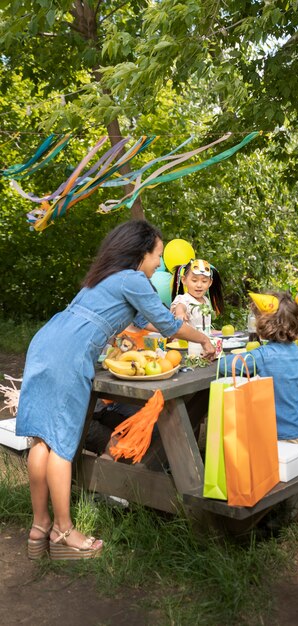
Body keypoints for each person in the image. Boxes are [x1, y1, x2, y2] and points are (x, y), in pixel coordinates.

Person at [16, 220, 215, 561]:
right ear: (141, 253)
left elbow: (140, 322)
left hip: (46, 342)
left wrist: (176, 326)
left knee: (42, 439)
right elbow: (167, 325)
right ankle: (64, 533)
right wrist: (204, 339)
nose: (158, 263)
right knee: (63, 444)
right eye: (157, 255)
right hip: (70, 352)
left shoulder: (105, 276)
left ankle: (40, 528)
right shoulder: (133, 278)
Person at [219, 291, 298, 452]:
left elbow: (224, 366)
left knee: (242, 446)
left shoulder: (262, 356)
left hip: (287, 441)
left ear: (263, 324)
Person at [170, 259, 224, 332]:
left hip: (201, 341)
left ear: (210, 283)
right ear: (184, 280)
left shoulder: (206, 301)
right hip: (185, 341)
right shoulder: (183, 299)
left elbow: (204, 330)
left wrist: (219, 333)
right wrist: (180, 313)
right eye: (194, 280)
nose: (199, 285)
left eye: (204, 281)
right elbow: (180, 306)